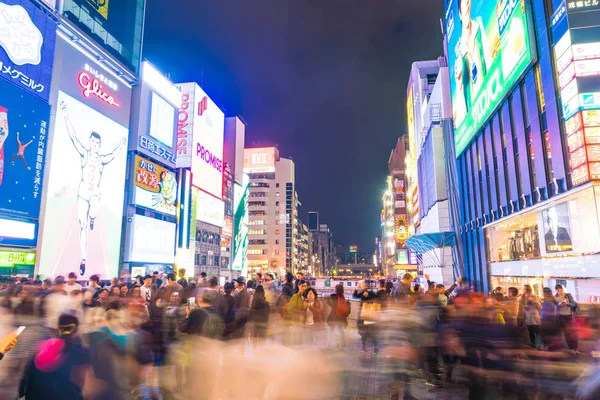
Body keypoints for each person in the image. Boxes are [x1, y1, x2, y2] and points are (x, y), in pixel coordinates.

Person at [61, 101, 126, 276]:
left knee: (93, 213)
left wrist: (121, 146)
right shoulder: (84, 153)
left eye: (97, 142)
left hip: (95, 192)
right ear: (90, 142)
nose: (94, 145)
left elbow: (112, 155)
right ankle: (83, 258)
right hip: (83, 192)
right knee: (82, 225)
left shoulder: (101, 159)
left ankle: (92, 217)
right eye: (93, 142)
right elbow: (73, 137)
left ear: (100, 144)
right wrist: (66, 115)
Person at [19, 313, 90, 399]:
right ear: (77, 331)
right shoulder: (80, 355)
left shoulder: (40, 347)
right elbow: (81, 386)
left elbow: (25, 380)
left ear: (58, 328)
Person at [555, 284, 579, 353]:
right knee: (567, 333)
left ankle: (576, 348)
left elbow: (574, 305)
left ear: (563, 289)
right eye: (558, 290)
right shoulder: (555, 297)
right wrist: (558, 305)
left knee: (574, 332)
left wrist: (567, 304)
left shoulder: (568, 295)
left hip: (570, 316)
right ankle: (571, 348)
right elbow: (554, 308)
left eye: (561, 289)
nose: (560, 291)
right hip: (561, 316)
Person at [327, 284, 349, 350]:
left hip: (334, 316)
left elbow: (332, 305)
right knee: (341, 330)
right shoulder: (342, 296)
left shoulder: (334, 296)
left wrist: (328, 300)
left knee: (331, 330)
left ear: (336, 289)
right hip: (341, 317)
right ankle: (342, 345)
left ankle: (329, 344)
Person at [522, 285, 542, 349]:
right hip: (527, 318)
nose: (523, 290)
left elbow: (539, 307)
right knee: (530, 333)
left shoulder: (533, 297)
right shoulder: (522, 297)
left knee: (537, 332)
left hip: (535, 318)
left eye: (524, 288)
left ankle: (539, 346)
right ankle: (533, 345)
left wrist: (533, 301)